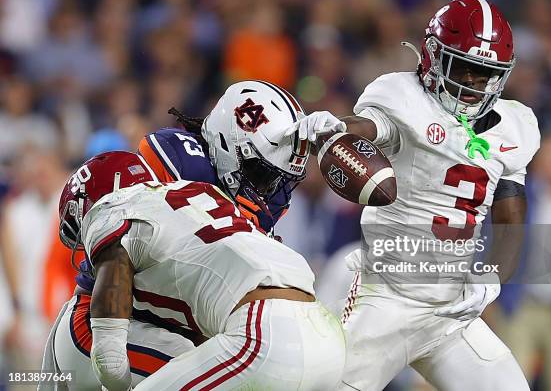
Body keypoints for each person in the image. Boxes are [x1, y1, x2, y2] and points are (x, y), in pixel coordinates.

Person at [289, 0, 539, 391]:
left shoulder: (515, 125)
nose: (473, 82)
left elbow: (510, 220)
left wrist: (490, 279)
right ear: (433, 57)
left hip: (451, 312)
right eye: (465, 67)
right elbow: (369, 128)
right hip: (387, 296)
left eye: (484, 72)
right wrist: (336, 126)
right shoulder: (402, 97)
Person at [41, 80, 312, 389]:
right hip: (110, 320)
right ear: (228, 144)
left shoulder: (267, 198)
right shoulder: (178, 163)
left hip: (165, 329)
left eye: (280, 178)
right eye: (263, 173)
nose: (271, 190)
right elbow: (117, 254)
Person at [58, 151, 345, 391]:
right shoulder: (205, 194)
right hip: (328, 341)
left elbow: (110, 356)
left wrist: (114, 378)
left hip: (264, 333)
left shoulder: (111, 208)